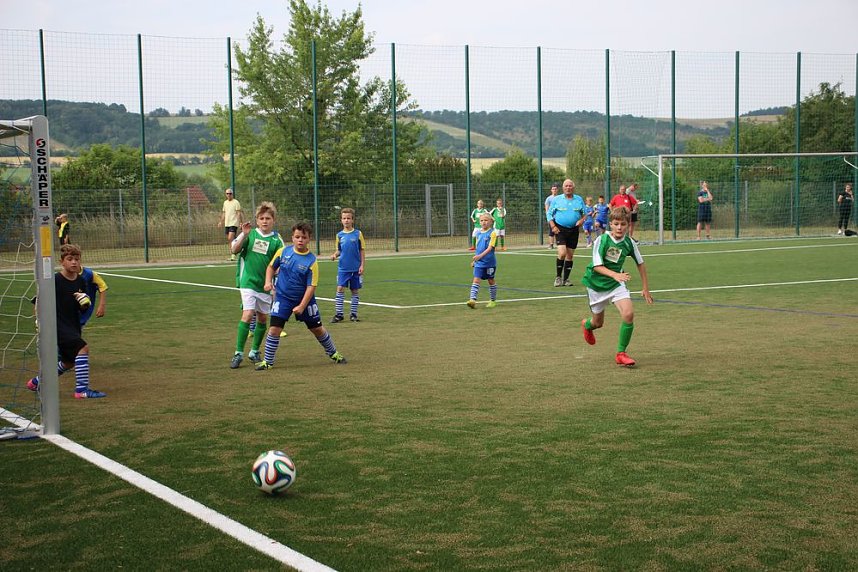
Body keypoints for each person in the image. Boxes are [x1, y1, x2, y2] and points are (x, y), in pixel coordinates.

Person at [255, 222, 347, 371]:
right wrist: (267, 282)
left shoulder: (312, 261)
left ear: (309, 239)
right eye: (297, 237)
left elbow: (312, 286)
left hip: (305, 301)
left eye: (303, 237)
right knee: (274, 329)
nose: (300, 240)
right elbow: (271, 267)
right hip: (283, 298)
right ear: (292, 237)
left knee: (317, 329)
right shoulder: (283, 252)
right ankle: (268, 361)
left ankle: (333, 353)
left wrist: (302, 306)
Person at [27, 244, 107, 398]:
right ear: (61, 261)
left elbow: (81, 308)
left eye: (77, 259)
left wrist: (85, 303)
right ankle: (82, 390)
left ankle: (36, 382)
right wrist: (38, 321)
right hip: (56, 324)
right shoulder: (54, 280)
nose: (74, 262)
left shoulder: (81, 281)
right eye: (70, 259)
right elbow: (39, 301)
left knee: (69, 362)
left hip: (72, 324)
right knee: (83, 348)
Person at [580, 207, 654, 367]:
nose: (619, 227)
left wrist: (645, 288)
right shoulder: (602, 240)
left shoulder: (629, 243)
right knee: (598, 323)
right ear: (610, 225)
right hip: (596, 285)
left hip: (616, 284)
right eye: (616, 224)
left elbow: (640, 263)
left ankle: (621, 353)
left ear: (628, 225)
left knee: (628, 314)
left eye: (623, 224)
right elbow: (597, 266)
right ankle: (587, 325)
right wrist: (615, 274)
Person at [229, 201, 284, 369]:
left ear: (273, 220)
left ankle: (254, 351)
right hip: (248, 282)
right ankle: (238, 353)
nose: (265, 221)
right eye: (261, 218)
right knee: (248, 314)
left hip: (265, 285)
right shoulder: (250, 233)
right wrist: (244, 235)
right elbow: (234, 250)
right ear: (257, 220)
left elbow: (282, 260)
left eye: (268, 218)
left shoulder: (276, 239)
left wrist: (278, 273)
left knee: (262, 318)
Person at [546, 179, 586, 287]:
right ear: (563, 188)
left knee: (570, 255)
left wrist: (581, 221)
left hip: (574, 230)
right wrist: (553, 226)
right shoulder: (557, 200)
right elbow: (549, 214)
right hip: (560, 229)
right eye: (566, 186)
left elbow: (585, 214)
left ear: (573, 187)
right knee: (562, 253)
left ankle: (566, 279)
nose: (568, 188)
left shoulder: (579, 199)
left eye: (570, 186)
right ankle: (558, 277)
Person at [330, 207, 366, 323]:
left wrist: (362, 265)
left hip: (355, 268)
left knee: (354, 290)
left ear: (352, 220)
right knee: (340, 288)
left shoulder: (358, 234)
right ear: (341, 220)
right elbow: (339, 250)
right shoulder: (339, 235)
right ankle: (339, 314)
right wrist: (335, 255)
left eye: (348, 218)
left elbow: (362, 250)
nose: (346, 220)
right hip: (343, 268)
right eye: (344, 218)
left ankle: (353, 314)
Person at [466, 213, 499, 309]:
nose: (483, 222)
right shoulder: (478, 233)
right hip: (479, 263)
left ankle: (493, 300)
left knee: (491, 280)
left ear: (491, 222)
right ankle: (472, 300)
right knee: (476, 279)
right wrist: (475, 260)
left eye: (486, 220)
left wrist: (479, 256)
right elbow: (478, 249)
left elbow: (490, 248)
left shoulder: (492, 233)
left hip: (489, 263)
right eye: (481, 220)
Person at [219, 188, 243, 261]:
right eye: (227, 193)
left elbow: (239, 213)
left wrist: (240, 222)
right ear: (225, 194)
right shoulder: (225, 203)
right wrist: (221, 222)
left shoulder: (236, 202)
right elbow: (224, 213)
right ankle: (233, 252)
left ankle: (234, 253)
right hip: (227, 224)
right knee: (230, 240)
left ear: (232, 194)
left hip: (234, 223)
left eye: (230, 193)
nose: (229, 195)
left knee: (230, 238)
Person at [544, 183, 560, 249]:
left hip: (559, 218)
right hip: (552, 218)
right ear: (551, 190)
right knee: (551, 231)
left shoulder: (560, 198)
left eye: (555, 189)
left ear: (557, 190)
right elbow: (547, 209)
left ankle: (559, 243)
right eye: (553, 189)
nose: (554, 190)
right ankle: (551, 244)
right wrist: (548, 218)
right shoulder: (548, 199)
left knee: (559, 231)